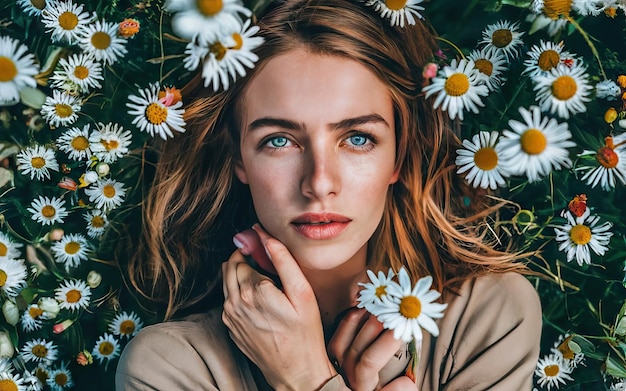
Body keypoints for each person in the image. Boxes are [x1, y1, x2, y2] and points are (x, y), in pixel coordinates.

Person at [115, 0, 542, 389]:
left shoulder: (489, 316)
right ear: (239, 158)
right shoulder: (172, 367)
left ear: (400, 155)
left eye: (357, 138)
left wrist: (305, 379)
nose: (319, 183)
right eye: (280, 141)